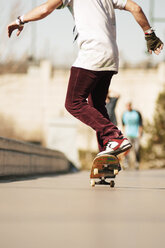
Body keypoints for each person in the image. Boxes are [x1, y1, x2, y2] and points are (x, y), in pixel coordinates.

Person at [7, 0, 163, 157]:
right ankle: (107, 157)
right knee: (97, 106)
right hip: (111, 56)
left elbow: (45, 9)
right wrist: (149, 34)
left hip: (92, 54)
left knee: (73, 103)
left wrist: (21, 20)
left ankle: (114, 136)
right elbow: (136, 8)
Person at [122, 102, 143, 169]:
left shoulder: (136, 113)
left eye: (129, 105)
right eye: (127, 106)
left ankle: (137, 163)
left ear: (131, 106)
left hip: (136, 134)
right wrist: (123, 134)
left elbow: (140, 124)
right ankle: (126, 163)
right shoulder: (124, 114)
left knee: (136, 149)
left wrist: (140, 133)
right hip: (128, 134)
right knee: (127, 149)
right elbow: (123, 125)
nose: (128, 107)